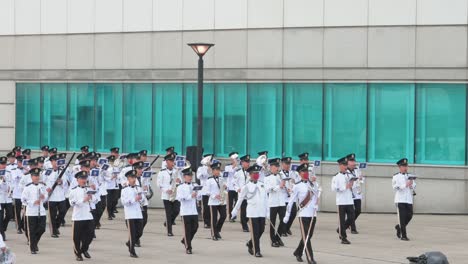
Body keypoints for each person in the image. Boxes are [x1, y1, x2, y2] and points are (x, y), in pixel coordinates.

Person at [284, 163, 319, 264]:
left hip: (312, 214)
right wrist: (287, 215)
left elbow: (317, 196)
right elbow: (291, 202)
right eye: (303, 171)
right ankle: (310, 258)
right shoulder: (297, 186)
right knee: (307, 236)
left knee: (308, 235)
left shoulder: (312, 184)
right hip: (303, 214)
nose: (306, 173)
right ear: (299, 173)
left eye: (307, 171)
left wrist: (317, 204)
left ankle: (298, 252)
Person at [232, 164, 268, 258]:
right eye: (254, 173)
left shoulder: (262, 185)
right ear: (250, 175)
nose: (256, 175)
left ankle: (250, 243)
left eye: (257, 173)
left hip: (261, 212)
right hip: (252, 213)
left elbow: (265, 199)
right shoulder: (246, 187)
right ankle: (257, 251)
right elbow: (240, 199)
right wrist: (235, 210)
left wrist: (267, 212)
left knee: (262, 230)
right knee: (255, 232)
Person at [69, 170, 97, 261]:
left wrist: (91, 197)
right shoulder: (73, 191)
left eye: (85, 178)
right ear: (77, 180)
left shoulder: (89, 189)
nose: (84, 180)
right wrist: (83, 200)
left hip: (88, 215)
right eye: (81, 178)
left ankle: (84, 249)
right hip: (78, 217)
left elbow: (95, 200)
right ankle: (78, 254)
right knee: (77, 237)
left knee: (90, 235)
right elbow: (72, 203)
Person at [21, 168, 47, 254]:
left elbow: (46, 197)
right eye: (35, 176)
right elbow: (23, 200)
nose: (36, 177)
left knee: (42, 229)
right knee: (32, 230)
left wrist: (44, 197)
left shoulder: (42, 186)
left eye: (37, 175)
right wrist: (32, 202)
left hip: (41, 211)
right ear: (31, 177)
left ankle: (34, 242)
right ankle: (33, 247)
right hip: (31, 212)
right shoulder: (27, 187)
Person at [176, 167, 200, 254]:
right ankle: (188, 247)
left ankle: (185, 240)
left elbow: (200, 196)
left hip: (193, 211)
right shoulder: (180, 187)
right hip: (185, 212)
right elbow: (179, 198)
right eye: (188, 175)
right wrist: (190, 196)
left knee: (195, 227)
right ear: (184, 176)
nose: (190, 177)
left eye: (191, 175)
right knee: (187, 230)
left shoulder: (195, 185)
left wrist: (198, 195)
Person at [331, 157, 355, 244]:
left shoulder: (349, 175)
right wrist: (344, 187)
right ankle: (343, 238)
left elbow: (353, 185)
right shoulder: (336, 177)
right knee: (341, 219)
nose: (345, 167)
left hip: (349, 200)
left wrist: (352, 183)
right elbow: (334, 189)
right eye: (344, 165)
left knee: (352, 217)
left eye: (346, 165)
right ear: (340, 165)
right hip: (341, 201)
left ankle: (340, 229)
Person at [121, 169, 143, 258]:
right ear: (128, 179)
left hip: (138, 213)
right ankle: (132, 251)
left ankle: (130, 242)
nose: (133, 179)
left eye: (134, 177)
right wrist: (135, 199)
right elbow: (124, 202)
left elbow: (143, 199)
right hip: (130, 214)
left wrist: (142, 198)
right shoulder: (125, 190)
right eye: (131, 178)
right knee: (132, 233)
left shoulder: (138, 188)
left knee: (140, 232)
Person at [392, 158, 416, 241]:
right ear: (399, 167)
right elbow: (395, 187)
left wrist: (411, 184)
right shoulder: (396, 176)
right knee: (402, 218)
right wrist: (405, 185)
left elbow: (414, 186)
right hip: (400, 199)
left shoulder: (410, 176)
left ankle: (399, 227)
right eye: (403, 166)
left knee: (410, 215)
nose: (405, 168)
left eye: (406, 166)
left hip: (408, 199)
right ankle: (403, 235)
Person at [45, 154, 68, 238]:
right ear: (51, 162)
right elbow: (43, 183)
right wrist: (47, 189)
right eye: (55, 161)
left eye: (57, 161)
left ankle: (57, 226)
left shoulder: (62, 171)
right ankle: (53, 231)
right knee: (52, 215)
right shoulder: (47, 172)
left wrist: (61, 182)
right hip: (52, 197)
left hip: (61, 196)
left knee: (63, 212)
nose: (56, 163)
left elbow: (65, 184)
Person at [157, 153, 180, 236]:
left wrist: (179, 181)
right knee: (168, 213)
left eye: (173, 161)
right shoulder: (162, 172)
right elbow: (159, 184)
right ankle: (169, 231)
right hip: (166, 196)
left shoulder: (176, 171)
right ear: (166, 162)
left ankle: (168, 222)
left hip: (175, 195)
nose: (172, 162)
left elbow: (180, 181)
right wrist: (166, 190)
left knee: (177, 210)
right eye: (170, 161)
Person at [264, 158, 286, 247]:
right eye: (275, 166)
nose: (277, 168)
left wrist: (286, 187)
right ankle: (273, 240)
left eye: (278, 166)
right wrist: (278, 186)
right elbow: (267, 189)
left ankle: (278, 237)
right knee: (272, 222)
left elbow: (285, 186)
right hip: (273, 202)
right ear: (271, 167)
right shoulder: (267, 178)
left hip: (282, 202)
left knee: (283, 220)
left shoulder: (281, 175)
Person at [206, 162, 227, 241]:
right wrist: (215, 196)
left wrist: (225, 186)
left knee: (223, 216)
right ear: (212, 170)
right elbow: (207, 192)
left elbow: (225, 187)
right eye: (216, 170)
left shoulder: (222, 179)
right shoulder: (209, 180)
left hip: (222, 201)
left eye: (219, 170)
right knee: (213, 219)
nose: (218, 171)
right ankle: (213, 234)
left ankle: (217, 230)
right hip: (213, 202)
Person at [345, 153, 365, 234]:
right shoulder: (345, 171)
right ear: (347, 162)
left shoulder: (357, 169)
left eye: (354, 161)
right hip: (348, 193)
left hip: (357, 193)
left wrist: (360, 179)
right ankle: (352, 227)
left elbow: (362, 180)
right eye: (351, 161)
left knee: (358, 210)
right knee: (351, 212)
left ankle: (348, 223)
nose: (353, 163)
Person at [280, 156, 298, 236]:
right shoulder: (279, 174)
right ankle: (283, 230)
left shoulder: (293, 173)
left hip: (291, 197)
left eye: (289, 164)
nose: (287, 165)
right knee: (284, 215)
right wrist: (283, 187)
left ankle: (287, 228)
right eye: (286, 164)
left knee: (293, 213)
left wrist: (293, 187)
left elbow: (296, 182)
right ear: (282, 164)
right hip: (283, 197)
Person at [233, 154, 251, 232]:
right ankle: (244, 225)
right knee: (243, 211)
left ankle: (245, 221)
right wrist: (237, 189)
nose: (248, 163)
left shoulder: (252, 172)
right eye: (246, 162)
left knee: (249, 210)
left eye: (248, 162)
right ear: (242, 163)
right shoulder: (238, 172)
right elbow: (234, 183)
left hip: (250, 195)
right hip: (242, 195)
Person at [11, 155, 26, 234]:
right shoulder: (14, 170)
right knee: (17, 212)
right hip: (17, 194)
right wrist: (25, 173)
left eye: (22, 162)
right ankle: (18, 227)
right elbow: (16, 178)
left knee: (25, 211)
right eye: (20, 162)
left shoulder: (27, 170)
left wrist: (26, 170)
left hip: (25, 194)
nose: (21, 164)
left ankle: (22, 225)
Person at [197, 154, 213, 229]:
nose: (210, 161)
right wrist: (206, 170)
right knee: (206, 207)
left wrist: (210, 168)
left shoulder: (213, 168)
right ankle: (206, 222)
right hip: (205, 190)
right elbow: (199, 176)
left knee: (212, 207)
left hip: (212, 190)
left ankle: (212, 221)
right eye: (209, 160)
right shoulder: (200, 168)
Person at [0, 156, 13, 240]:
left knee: (9, 215)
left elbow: (11, 183)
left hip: (7, 197)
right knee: (0, 218)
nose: (4, 166)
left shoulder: (8, 172)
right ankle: (2, 234)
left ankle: (3, 228)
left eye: (5, 164)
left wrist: (9, 188)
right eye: (2, 164)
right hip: (0, 198)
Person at [224, 152, 239, 222]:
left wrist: (236, 164)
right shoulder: (227, 166)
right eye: (234, 158)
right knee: (230, 203)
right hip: (230, 187)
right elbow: (227, 174)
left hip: (237, 187)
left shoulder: (239, 167)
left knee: (236, 202)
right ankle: (230, 216)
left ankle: (234, 215)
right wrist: (234, 164)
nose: (235, 160)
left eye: (236, 158)